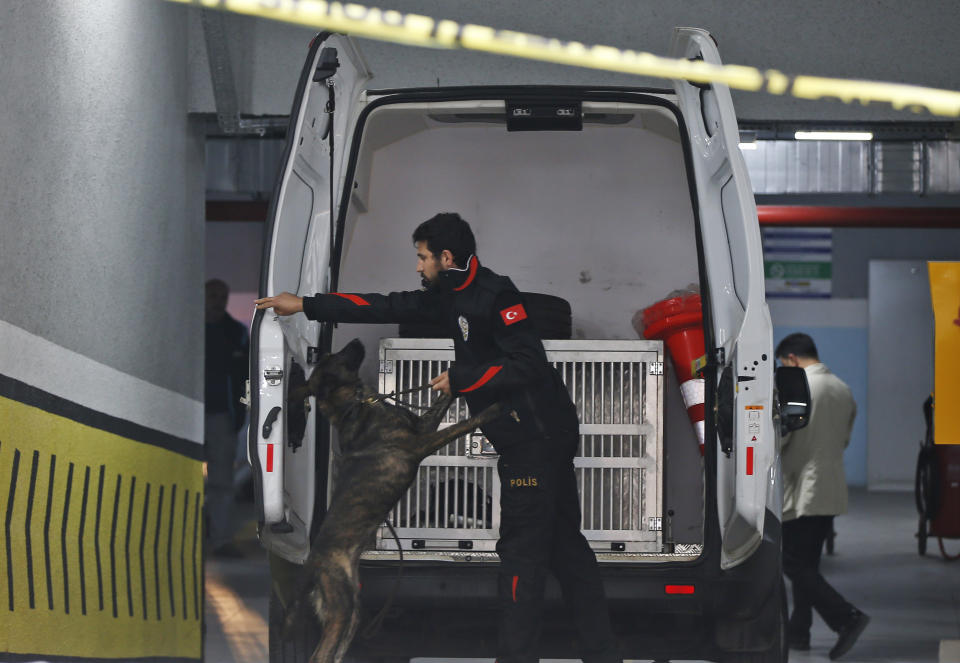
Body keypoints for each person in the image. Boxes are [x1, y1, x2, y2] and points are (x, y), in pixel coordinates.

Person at [255, 213, 620, 663]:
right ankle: (603, 654)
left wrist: (462, 377)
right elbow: (381, 306)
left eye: (422, 257)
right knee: (569, 553)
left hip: (537, 441)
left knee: (523, 556)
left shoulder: (496, 295)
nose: (418, 266)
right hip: (534, 439)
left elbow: (529, 363)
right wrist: (306, 304)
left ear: (446, 257)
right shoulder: (447, 298)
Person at [776, 333, 869, 660]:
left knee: (792, 563)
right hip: (830, 486)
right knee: (808, 564)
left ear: (791, 359)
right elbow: (843, 439)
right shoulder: (843, 389)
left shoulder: (799, 389)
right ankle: (799, 632)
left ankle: (846, 618)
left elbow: (784, 439)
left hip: (802, 487)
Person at [205, 278, 249, 558]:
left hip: (222, 415)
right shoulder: (190, 331)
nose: (218, 299)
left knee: (221, 482)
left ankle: (220, 539)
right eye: (213, 295)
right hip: (194, 413)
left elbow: (244, 377)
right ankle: (213, 537)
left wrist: (240, 411)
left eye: (222, 295)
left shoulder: (235, 333)